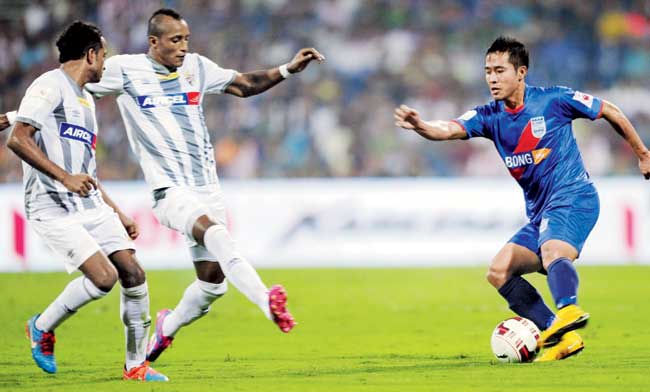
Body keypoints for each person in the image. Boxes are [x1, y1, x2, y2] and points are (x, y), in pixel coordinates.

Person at [84, 8, 325, 363]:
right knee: (214, 232)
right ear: (154, 42)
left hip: (207, 187)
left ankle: (166, 328)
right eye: (175, 40)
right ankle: (265, 300)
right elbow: (73, 81)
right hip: (169, 190)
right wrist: (22, 116)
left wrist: (288, 69)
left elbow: (243, 85)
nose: (183, 47)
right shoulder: (123, 70)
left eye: (186, 40)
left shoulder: (196, 67)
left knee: (212, 285)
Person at [394, 36, 650, 361]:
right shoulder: (489, 116)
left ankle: (569, 309)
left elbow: (609, 109)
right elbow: (447, 128)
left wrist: (642, 154)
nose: (492, 78)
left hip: (575, 197)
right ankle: (563, 335)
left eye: (499, 70)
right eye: (488, 71)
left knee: (553, 249)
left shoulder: (554, 100)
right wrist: (421, 126)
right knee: (499, 270)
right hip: (541, 213)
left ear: (521, 72)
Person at [4, 21, 167, 381]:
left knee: (134, 274)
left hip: (89, 205)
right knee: (104, 277)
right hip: (52, 207)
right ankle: (41, 327)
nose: (105, 63)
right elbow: (17, 138)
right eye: (103, 55)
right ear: (90, 54)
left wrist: (117, 212)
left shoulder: (85, 99)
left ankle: (135, 365)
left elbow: (85, 170)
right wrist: (64, 178)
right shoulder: (48, 85)